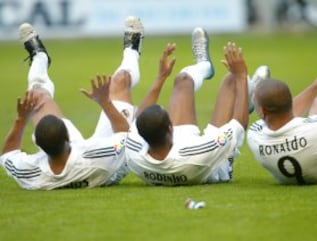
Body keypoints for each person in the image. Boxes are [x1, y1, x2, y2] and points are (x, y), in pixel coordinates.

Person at [0, 16, 173, 190]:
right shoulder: (100, 154)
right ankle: (132, 50)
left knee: (36, 96)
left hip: (77, 157)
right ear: (68, 136)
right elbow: (124, 135)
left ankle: (40, 57)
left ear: (40, 148)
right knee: (120, 80)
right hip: (109, 165)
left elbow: (8, 154)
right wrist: (105, 102)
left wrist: (21, 120)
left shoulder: (31, 171)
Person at [125, 27, 250, 186]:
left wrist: (161, 77)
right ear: (171, 128)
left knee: (183, 80)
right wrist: (241, 76)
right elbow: (240, 124)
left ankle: (204, 65)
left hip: (179, 152)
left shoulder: (134, 152)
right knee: (232, 81)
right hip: (210, 163)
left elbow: (140, 116)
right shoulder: (201, 151)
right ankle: (254, 94)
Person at [246, 61, 317, 185]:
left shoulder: (255, 136)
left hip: (316, 161)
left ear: (262, 110)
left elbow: (281, 115)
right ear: (290, 101)